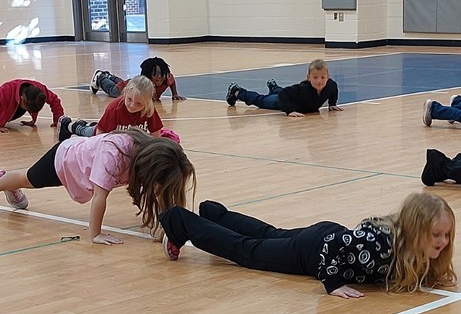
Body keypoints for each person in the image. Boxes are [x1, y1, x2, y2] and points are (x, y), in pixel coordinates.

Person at [159, 193, 456, 298]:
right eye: (436, 235)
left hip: (322, 236)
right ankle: (180, 221)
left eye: (447, 235)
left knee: (269, 234)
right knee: (248, 251)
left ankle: (215, 214)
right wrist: (333, 283)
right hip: (315, 250)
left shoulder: (410, 245)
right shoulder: (382, 245)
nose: (442, 242)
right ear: (416, 229)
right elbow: (335, 245)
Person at [0, 130, 196, 244]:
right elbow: (100, 197)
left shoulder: (148, 155)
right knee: (25, 179)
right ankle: (7, 182)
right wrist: (96, 234)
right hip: (65, 160)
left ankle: (9, 183)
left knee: (24, 179)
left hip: (81, 163)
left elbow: (159, 192)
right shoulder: (113, 156)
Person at [57, 76, 180, 145]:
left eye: (138, 104)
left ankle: (85, 125)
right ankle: (69, 125)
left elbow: (156, 135)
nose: (132, 106)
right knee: (87, 132)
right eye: (129, 100)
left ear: (147, 102)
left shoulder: (149, 110)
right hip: (105, 133)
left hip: (121, 135)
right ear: (125, 94)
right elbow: (101, 134)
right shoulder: (115, 107)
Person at [225, 59, 340, 117]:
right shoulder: (302, 89)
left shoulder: (330, 85)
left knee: (277, 92)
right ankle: (237, 92)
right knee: (261, 100)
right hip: (282, 102)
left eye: (322, 77)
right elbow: (284, 94)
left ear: (328, 77)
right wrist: (290, 110)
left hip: (289, 99)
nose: (319, 81)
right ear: (308, 77)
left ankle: (274, 87)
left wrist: (332, 103)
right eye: (315, 77)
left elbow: (334, 89)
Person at [89, 57, 186, 101]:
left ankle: (110, 76)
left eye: (162, 74)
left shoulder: (167, 79)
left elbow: (172, 81)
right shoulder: (144, 84)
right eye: (155, 74)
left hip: (129, 82)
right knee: (113, 90)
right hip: (124, 89)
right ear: (148, 75)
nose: (159, 77)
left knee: (123, 82)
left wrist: (175, 94)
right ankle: (100, 77)